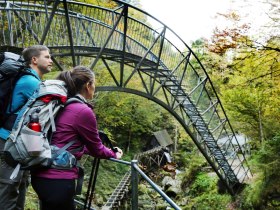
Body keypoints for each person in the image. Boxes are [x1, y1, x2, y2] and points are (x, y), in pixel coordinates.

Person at [31, 66, 123, 210]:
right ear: (88, 85)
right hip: (58, 179)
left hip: (40, 174)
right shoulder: (82, 111)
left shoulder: (61, 103)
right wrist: (114, 154)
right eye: (94, 84)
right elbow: (97, 149)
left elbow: (64, 141)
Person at [0, 45, 53, 210]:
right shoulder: (31, 82)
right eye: (47, 57)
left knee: (18, 185)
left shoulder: (30, 80)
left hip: (15, 141)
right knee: (8, 188)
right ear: (34, 60)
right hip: (8, 141)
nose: (51, 60)